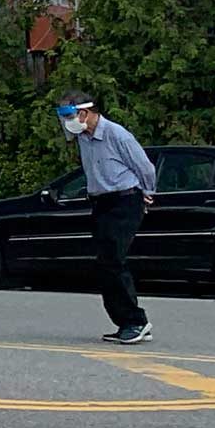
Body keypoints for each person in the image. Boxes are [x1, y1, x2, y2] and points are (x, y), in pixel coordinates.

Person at [61, 100, 158, 344]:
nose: (66, 123)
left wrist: (146, 193)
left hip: (124, 200)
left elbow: (145, 167)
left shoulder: (117, 134)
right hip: (101, 202)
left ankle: (136, 321)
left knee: (113, 259)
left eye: (69, 117)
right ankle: (125, 322)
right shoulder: (83, 137)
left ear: (84, 113)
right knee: (105, 263)